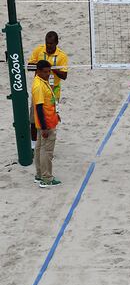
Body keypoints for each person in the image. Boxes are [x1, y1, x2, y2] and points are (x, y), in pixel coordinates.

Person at [27, 31, 68, 151]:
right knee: (34, 118)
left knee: (49, 119)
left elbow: (64, 76)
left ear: (56, 43)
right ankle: (33, 145)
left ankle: (47, 145)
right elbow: (29, 66)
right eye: (47, 43)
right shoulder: (39, 50)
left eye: (51, 43)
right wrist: (41, 66)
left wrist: (51, 68)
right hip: (39, 88)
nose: (48, 46)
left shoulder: (62, 56)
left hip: (53, 91)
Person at [31, 60, 61, 188]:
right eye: (45, 72)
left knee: (39, 149)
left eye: (49, 71)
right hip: (46, 123)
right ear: (38, 71)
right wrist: (44, 127)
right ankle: (47, 178)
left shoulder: (41, 81)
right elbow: (39, 108)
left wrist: (56, 113)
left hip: (47, 120)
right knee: (46, 151)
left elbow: (48, 103)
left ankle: (39, 175)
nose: (48, 74)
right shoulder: (39, 86)